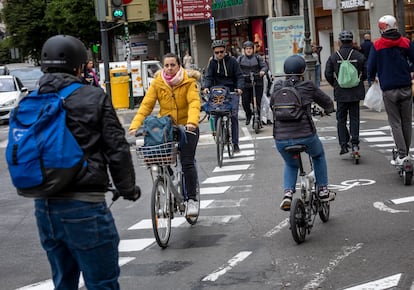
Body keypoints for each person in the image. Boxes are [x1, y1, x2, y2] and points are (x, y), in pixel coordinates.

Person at [34, 35, 141, 289]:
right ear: (79, 66)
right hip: (84, 205)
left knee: (63, 281)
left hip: (44, 206)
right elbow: (117, 148)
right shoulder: (93, 97)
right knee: (102, 282)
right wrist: (127, 188)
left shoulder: (33, 99)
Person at [129, 53, 201, 216]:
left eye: (172, 65)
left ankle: (191, 200)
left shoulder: (189, 82)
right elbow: (146, 106)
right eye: (166, 65)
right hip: (166, 129)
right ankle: (167, 184)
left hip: (187, 127)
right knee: (159, 158)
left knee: (187, 161)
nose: (169, 68)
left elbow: (194, 103)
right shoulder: (158, 83)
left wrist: (191, 123)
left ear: (179, 65)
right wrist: (135, 126)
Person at [271, 55, 336, 211]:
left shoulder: (278, 86)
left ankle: (287, 194)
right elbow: (327, 102)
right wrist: (328, 110)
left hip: (281, 138)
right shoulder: (308, 86)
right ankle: (322, 190)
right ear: (303, 70)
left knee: (290, 164)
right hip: (305, 135)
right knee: (318, 155)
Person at [367, 15, 414, 165]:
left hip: (388, 88)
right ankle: (406, 153)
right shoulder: (405, 42)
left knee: (395, 122)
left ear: (383, 28)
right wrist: (411, 71)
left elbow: (371, 66)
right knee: (407, 121)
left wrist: (370, 79)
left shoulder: (378, 44)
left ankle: (402, 154)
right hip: (406, 85)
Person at [325, 30, 367, 155]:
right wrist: (358, 81)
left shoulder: (334, 56)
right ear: (352, 41)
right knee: (355, 118)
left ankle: (343, 144)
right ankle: (355, 143)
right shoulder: (359, 56)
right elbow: (366, 72)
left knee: (341, 119)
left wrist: (336, 84)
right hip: (355, 92)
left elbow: (327, 74)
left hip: (341, 92)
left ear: (340, 41)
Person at [202, 39, 244, 153]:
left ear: (225, 50)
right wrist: (206, 87)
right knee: (215, 114)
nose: (219, 54)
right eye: (217, 52)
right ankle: (219, 136)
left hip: (231, 91)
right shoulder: (212, 63)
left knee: (234, 116)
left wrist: (239, 88)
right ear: (214, 52)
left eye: (221, 51)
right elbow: (208, 77)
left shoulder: (233, 61)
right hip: (217, 92)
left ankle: (235, 143)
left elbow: (239, 76)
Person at [237, 40, 268, 127]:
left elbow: (264, 66)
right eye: (247, 49)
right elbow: (236, 69)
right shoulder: (240, 59)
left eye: (250, 48)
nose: (249, 50)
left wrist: (262, 71)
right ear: (244, 50)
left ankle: (258, 118)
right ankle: (248, 114)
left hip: (257, 82)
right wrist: (239, 75)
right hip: (245, 83)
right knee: (245, 102)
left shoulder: (258, 58)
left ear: (253, 49)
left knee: (257, 102)